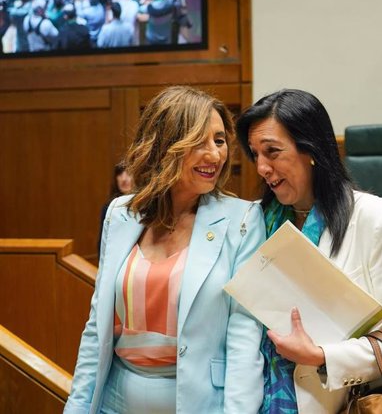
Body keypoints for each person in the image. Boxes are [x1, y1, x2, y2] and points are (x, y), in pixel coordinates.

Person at [65, 86, 266, 413]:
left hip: (200, 403)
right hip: (114, 401)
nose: (215, 155)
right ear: (166, 145)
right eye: (199, 142)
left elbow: (244, 339)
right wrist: (77, 407)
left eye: (219, 140)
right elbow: (96, 325)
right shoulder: (121, 214)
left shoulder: (242, 220)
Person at [235, 89, 382, 413]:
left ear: (310, 149)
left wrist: (323, 357)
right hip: (252, 400)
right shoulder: (251, 222)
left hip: (337, 403)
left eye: (273, 152)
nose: (262, 168)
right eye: (255, 154)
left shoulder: (378, 220)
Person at [96, 162, 133, 255]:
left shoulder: (144, 206)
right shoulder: (109, 207)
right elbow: (102, 242)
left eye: (128, 173)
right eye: (120, 174)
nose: (124, 179)